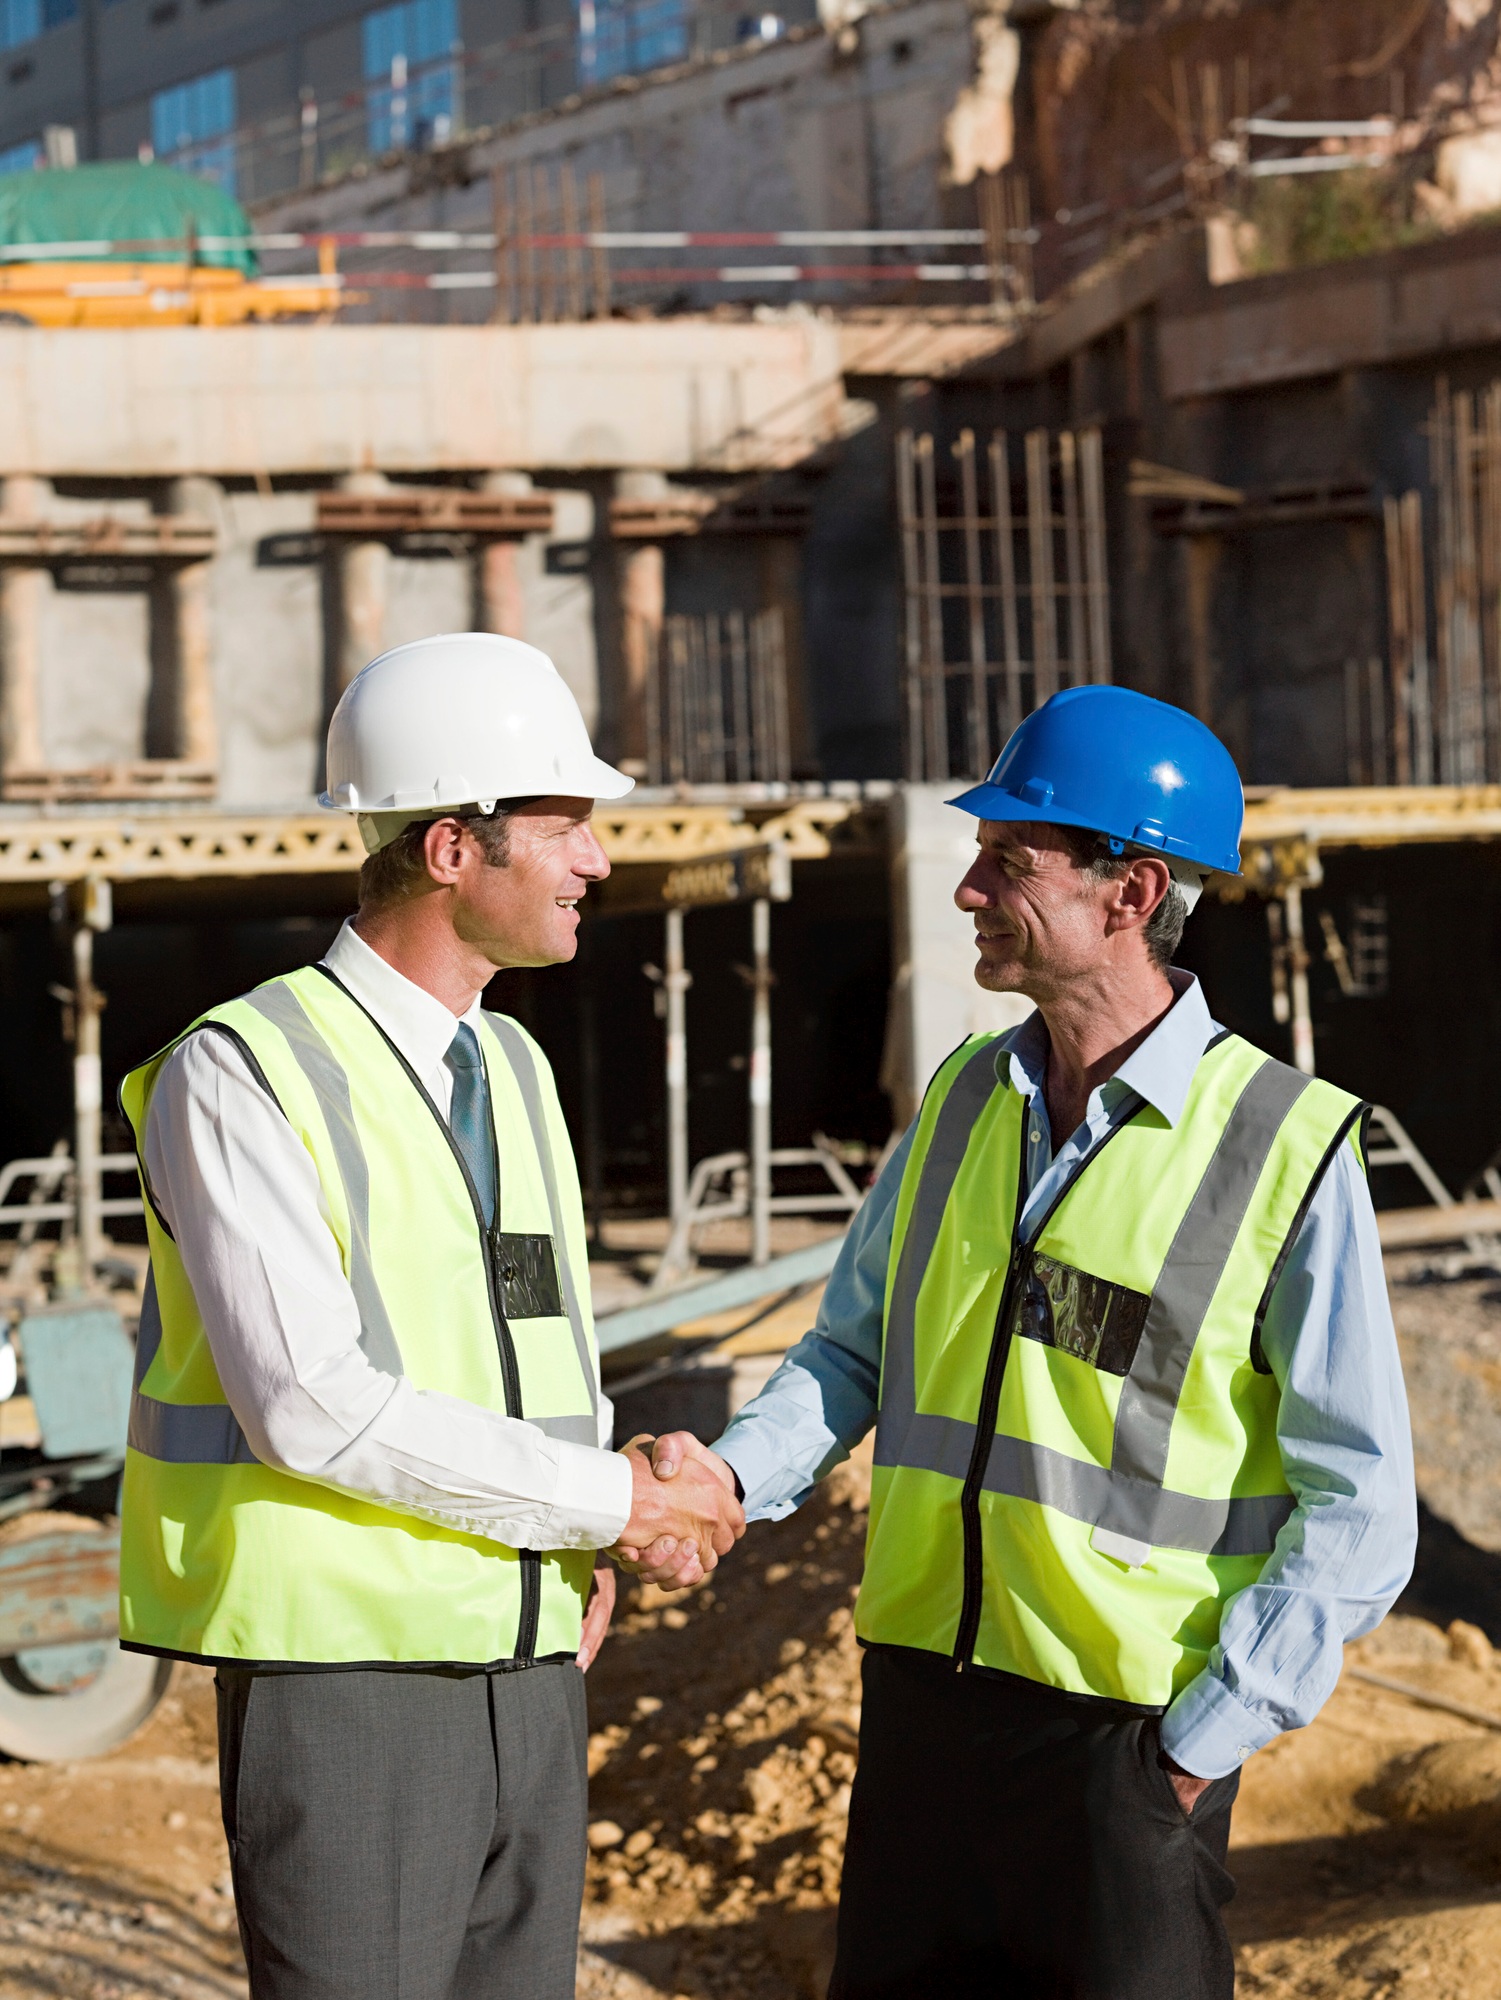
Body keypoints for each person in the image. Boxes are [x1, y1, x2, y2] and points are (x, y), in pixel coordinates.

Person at [637, 686, 1417, 1998]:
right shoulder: (960, 1099)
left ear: (1129, 891)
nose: (967, 891)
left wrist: (1192, 1748)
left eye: (1009, 860)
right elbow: (850, 1354)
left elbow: (1360, 1503)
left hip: (1121, 1751)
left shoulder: (1283, 1144)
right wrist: (726, 1479)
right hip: (921, 1719)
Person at [118, 632, 743, 2000]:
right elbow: (309, 1406)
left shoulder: (510, 1063)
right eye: (565, 826)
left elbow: (533, 1344)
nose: (596, 861)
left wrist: (579, 1541)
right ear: (452, 849)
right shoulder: (240, 1073)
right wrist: (606, 1504)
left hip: (525, 1650)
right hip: (347, 1680)